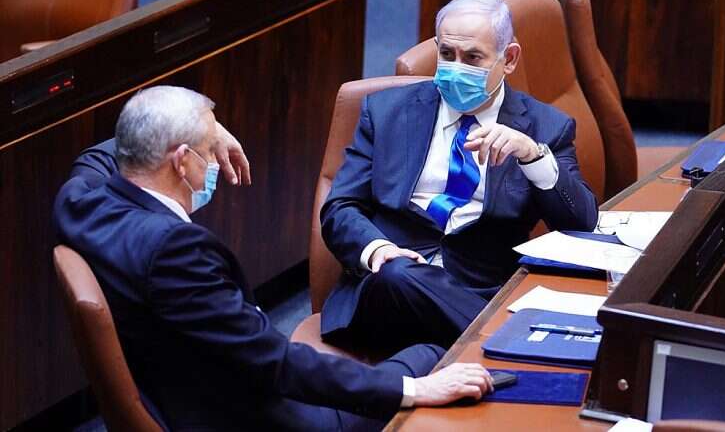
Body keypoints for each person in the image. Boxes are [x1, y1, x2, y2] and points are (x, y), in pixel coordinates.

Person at [52, 86, 495, 432]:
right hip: (255, 417)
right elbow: (275, 362)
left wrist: (197, 127)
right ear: (181, 161)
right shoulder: (176, 252)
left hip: (183, 382)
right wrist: (415, 389)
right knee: (434, 359)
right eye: (208, 150)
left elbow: (97, 156)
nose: (214, 163)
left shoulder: (80, 202)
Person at [320, 0, 599, 351]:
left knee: (424, 360)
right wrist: (377, 249)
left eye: (472, 58)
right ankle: (503, 341)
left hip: (477, 287)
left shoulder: (544, 127)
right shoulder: (387, 111)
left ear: (509, 58)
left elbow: (582, 222)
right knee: (398, 276)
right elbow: (340, 206)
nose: (456, 68)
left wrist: (532, 156)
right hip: (387, 287)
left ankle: (433, 364)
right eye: (447, 54)